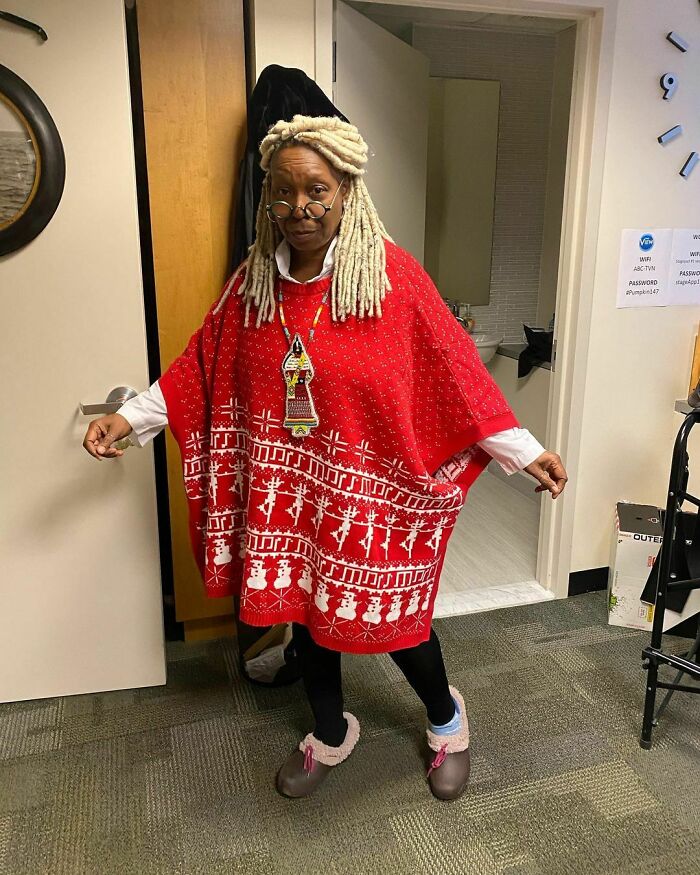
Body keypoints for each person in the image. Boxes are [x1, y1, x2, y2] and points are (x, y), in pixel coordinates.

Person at [82, 115, 568, 802]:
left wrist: (525, 450)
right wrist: (129, 417)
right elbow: (199, 369)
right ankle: (331, 728)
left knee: (396, 622)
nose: (299, 207)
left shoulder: (391, 279)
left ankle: (446, 718)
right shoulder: (253, 285)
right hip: (288, 496)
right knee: (307, 616)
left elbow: (458, 375)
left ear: (345, 191)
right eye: (283, 192)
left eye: (316, 190)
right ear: (268, 200)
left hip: (369, 495)